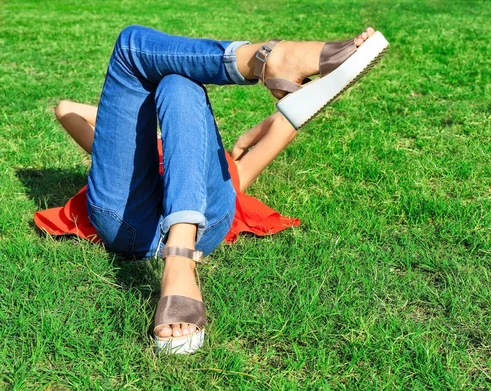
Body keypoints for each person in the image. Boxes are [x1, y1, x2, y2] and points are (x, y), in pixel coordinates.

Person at [57, 24, 387, 353]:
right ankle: (273, 60)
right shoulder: (158, 151)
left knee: (174, 79)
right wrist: (145, 122)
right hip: (127, 215)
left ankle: (180, 259)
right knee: (144, 52)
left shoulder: (226, 171)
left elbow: (291, 117)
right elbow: (67, 110)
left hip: (184, 223)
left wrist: (238, 134)